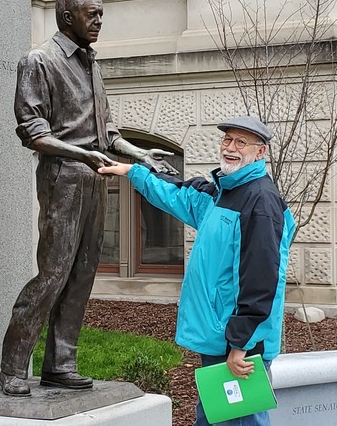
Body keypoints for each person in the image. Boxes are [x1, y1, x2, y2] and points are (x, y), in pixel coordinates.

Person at [0, 0, 176, 397]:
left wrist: (141, 155)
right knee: (53, 275)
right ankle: (12, 366)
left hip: (95, 178)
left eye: (101, 12)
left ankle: (61, 363)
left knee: (81, 275)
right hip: (63, 178)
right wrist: (82, 156)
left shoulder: (90, 63)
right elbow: (33, 133)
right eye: (91, 13)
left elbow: (108, 132)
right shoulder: (39, 61)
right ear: (67, 17)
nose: (100, 20)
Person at [98, 115, 295, 426]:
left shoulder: (260, 202)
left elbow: (261, 280)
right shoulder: (223, 192)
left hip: (239, 343)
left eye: (241, 142)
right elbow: (179, 195)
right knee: (215, 419)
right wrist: (131, 172)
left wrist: (241, 344)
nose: (230, 147)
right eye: (227, 139)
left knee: (238, 421)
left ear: (261, 152)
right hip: (221, 337)